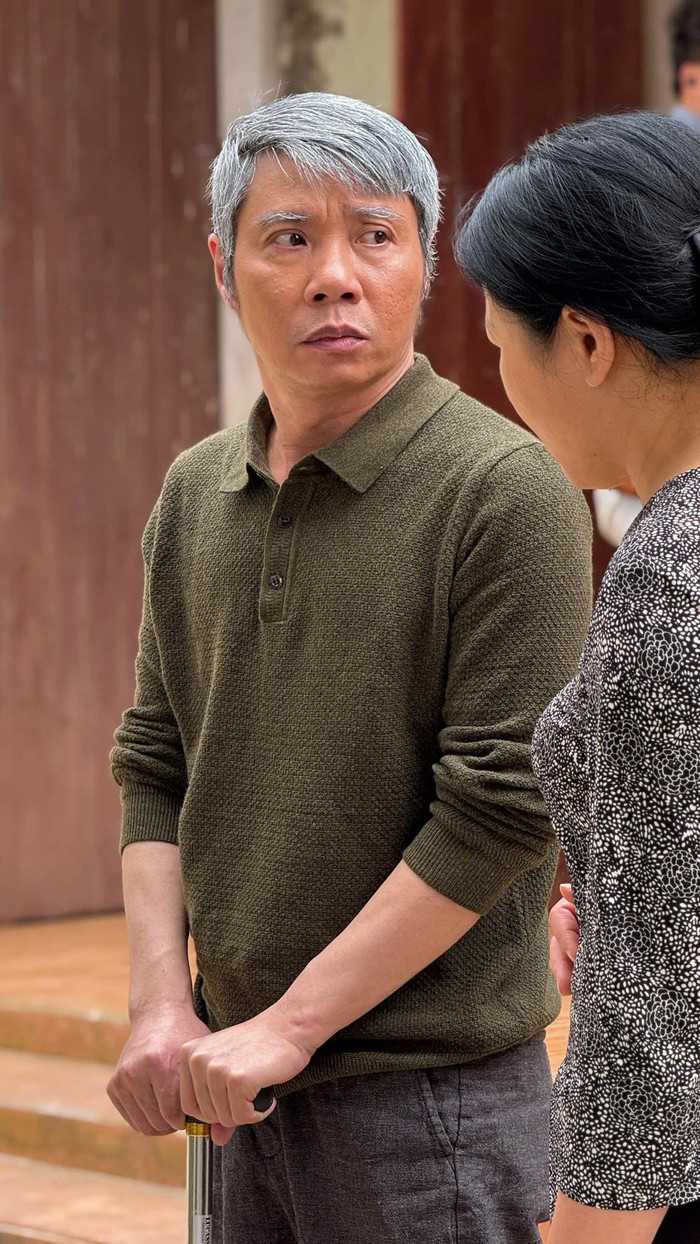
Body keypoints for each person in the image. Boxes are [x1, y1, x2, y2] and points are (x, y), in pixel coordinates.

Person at [107, 92, 592, 1244]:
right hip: (236, 1099)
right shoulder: (195, 491)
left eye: (374, 234)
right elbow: (155, 759)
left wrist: (289, 1026)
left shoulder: (504, 488)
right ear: (224, 266)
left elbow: (500, 805)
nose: (336, 276)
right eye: (290, 238)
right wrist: (161, 1002)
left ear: (423, 262)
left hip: (430, 1113)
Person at [454, 109, 700, 1244]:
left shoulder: (670, 573)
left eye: (505, 348)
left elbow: (648, 1022)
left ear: (589, 344)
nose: (501, 384)